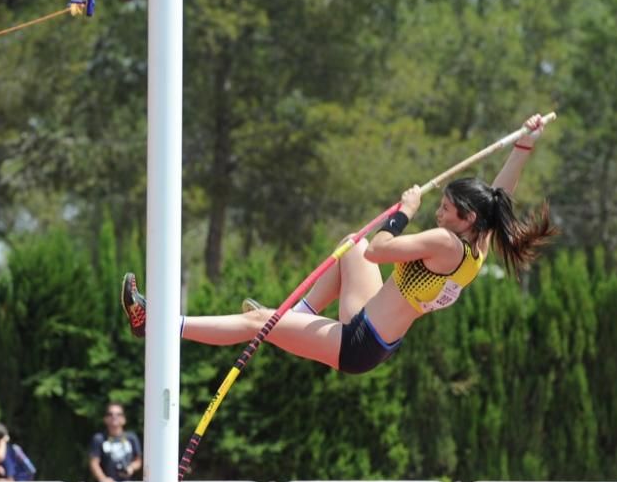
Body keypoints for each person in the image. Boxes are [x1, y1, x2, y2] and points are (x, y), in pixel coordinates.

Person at [120, 113, 557, 373]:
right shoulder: (476, 244)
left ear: (466, 219)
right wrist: (524, 143)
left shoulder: (444, 241)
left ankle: (155, 326)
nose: (439, 213)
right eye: (438, 206)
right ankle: (300, 317)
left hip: (358, 343)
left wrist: (404, 212)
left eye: (445, 208)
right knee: (351, 243)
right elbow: (502, 194)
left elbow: (380, 250)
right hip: (372, 326)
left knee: (261, 323)